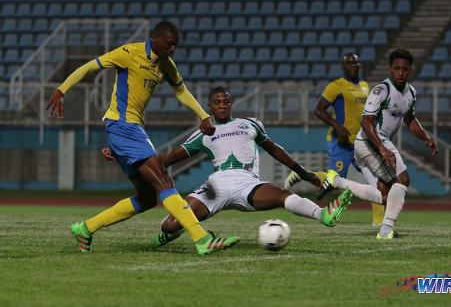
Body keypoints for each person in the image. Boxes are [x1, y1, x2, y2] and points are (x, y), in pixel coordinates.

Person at [46, 21, 239, 255]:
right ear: (155, 39)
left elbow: (180, 90)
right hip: (124, 126)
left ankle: (85, 228)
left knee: (147, 199)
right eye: (170, 45)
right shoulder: (129, 53)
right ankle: (202, 239)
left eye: (175, 46)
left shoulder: (166, 64)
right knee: (164, 181)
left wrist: (202, 115)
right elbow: (90, 67)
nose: (172, 50)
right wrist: (61, 89)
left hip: (127, 130)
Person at [101, 86, 352, 247]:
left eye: (226, 101)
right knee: (169, 224)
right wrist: (124, 152)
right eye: (217, 102)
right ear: (209, 107)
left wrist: (304, 174)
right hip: (216, 185)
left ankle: (324, 215)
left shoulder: (251, 124)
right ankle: (169, 233)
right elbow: (165, 160)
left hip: (248, 182)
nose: (222, 105)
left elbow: (275, 150)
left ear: (231, 103)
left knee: (282, 195)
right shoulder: (204, 133)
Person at [318, 49, 438, 239]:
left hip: (374, 145)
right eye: (397, 69)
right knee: (403, 179)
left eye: (405, 69)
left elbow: (410, 119)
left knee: (385, 196)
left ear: (411, 70)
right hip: (369, 143)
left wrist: (426, 138)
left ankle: (338, 181)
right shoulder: (382, 90)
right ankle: (386, 230)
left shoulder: (411, 93)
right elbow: (366, 122)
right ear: (390, 69)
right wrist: (382, 148)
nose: (401, 73)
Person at [284, 53, 386, 226]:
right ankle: (303, 175)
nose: (353, 66)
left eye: (356, 63)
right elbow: (319, 110)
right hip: (341, 143)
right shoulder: (336, 86)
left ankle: (380, 224)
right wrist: (337, 126)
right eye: (349, 63)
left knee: (376, 181)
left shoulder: (364, 86)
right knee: (333, 182)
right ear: (343, 66)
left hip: (361, 143)